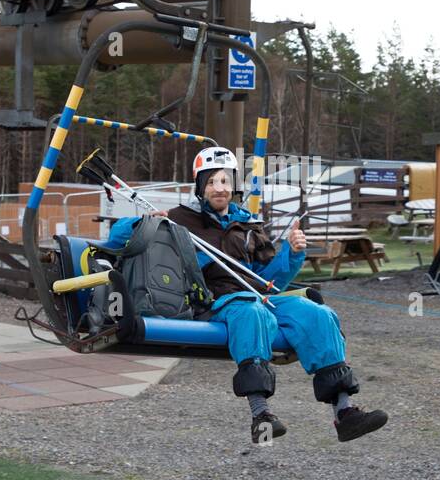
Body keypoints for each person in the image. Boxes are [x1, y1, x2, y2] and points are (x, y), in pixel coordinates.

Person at [102, 146, 389, 445]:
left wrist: (292, 252)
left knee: (317, 313)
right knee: (252, 311)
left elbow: (268, 281)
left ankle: (344, 412)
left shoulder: (249, 225)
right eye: (211, 181)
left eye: (225, 181)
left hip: (255, 294)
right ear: (200, 186)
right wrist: (141, 222)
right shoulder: (179, 219)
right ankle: (261, 414)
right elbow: (116, 239)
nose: (219, 188)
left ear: (234, 185)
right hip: (214, 300)